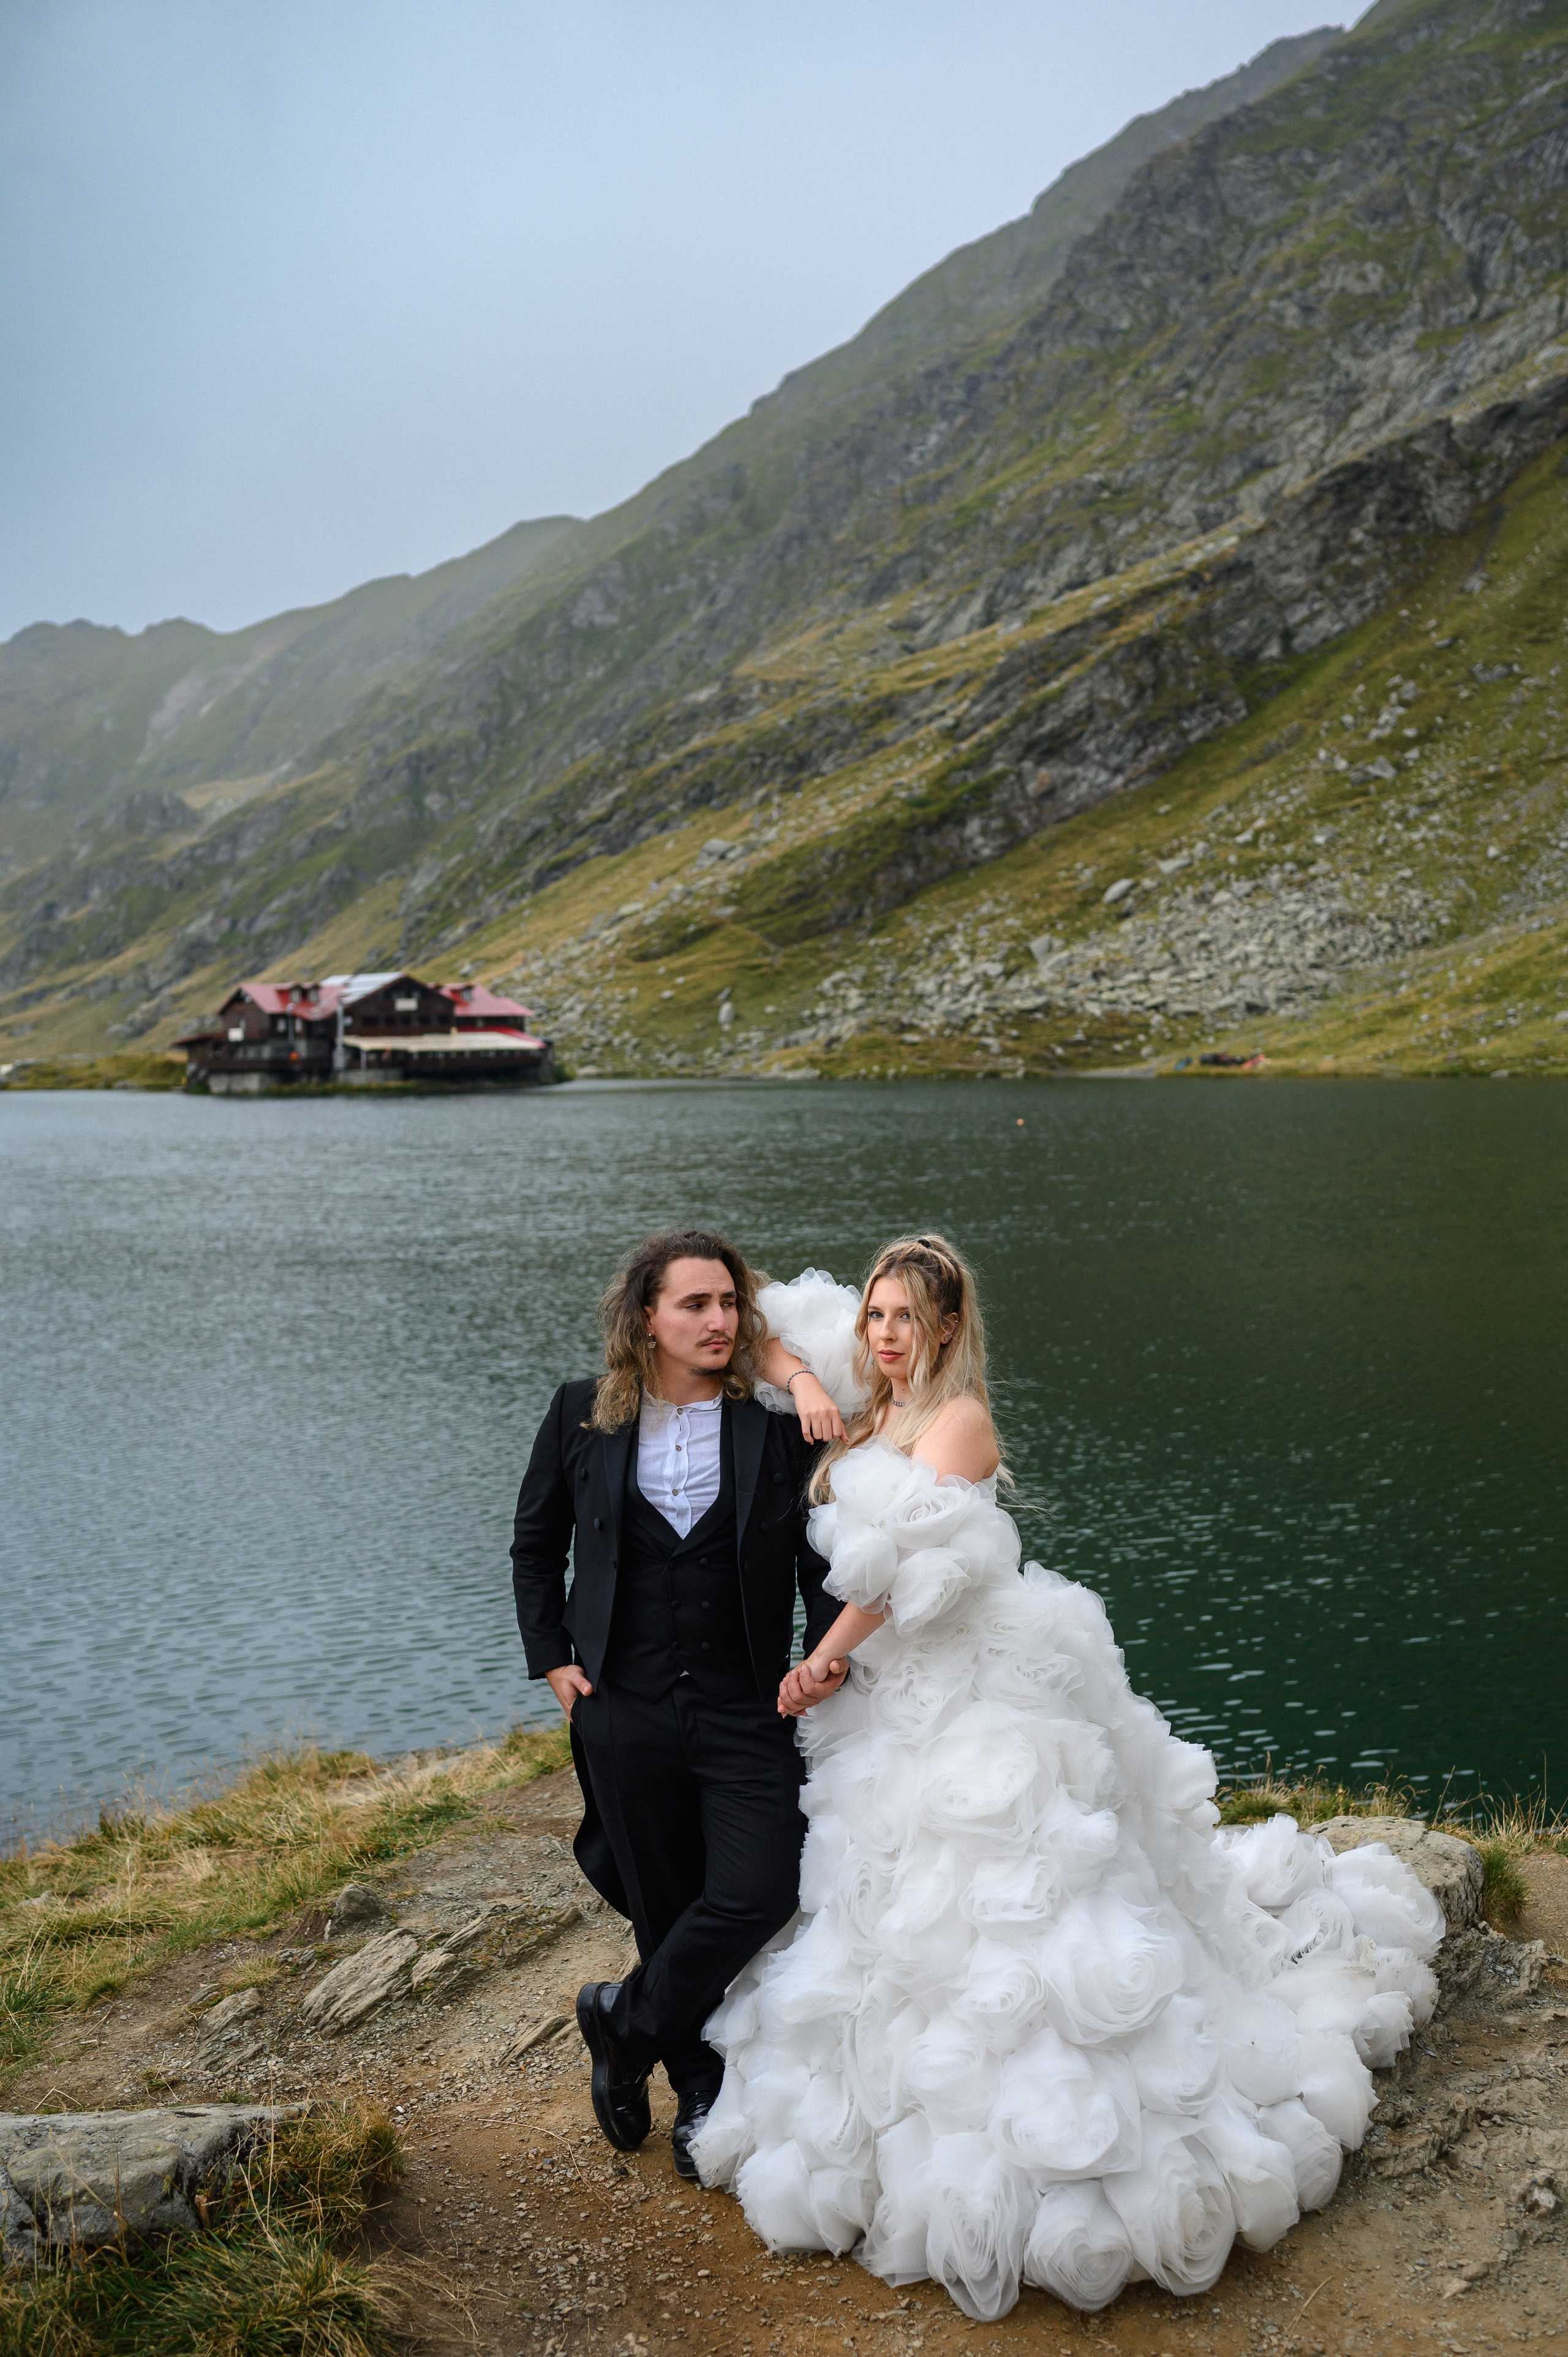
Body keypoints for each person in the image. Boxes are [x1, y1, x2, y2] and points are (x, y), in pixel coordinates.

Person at [693, 1236, 1447, 2321]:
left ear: (950, 1327)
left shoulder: (958, 1422)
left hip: (965, 1686)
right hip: (888, 1696)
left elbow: (912, 1572)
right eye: (874, 1315)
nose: (886, 1334)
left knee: (1010, 1885)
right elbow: (763, 1335)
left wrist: (824, 1658)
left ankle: (1058, 2147)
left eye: (906, 1317)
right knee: (886, 1891)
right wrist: (811, 1378)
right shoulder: (872, 1397)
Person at [509, 1228, 841, 2181]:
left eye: (730, 1304)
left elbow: (822, 1557)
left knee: (760, 1886)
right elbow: (536, 1547)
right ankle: (699, 2091)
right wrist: (552, 1659)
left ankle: (624, 2022)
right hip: (624, 1706)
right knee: (664, 1900)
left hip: (745, 1704)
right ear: (645, 1318)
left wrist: (822, 1656)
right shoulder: (583, 1416)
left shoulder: (776, 1428)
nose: (717, 1320)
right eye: (695, 1304)